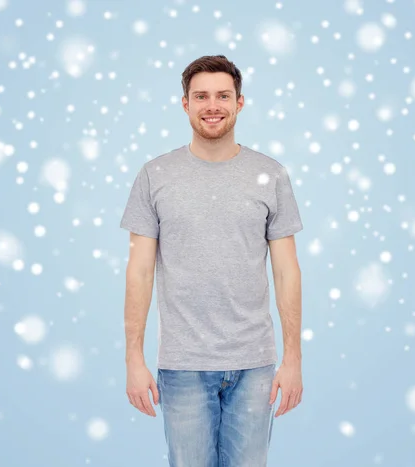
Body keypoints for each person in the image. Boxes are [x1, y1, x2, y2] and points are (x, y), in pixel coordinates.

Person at [120, 54, 304, 466]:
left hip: (255, 365)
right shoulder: (155, 175)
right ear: (185, 103)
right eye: (201, 96)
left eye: (223, 95)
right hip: (183, 365)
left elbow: (287, 271)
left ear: (240, 102)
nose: (212, 105)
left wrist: (293, 360)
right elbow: (139, 271)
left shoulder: (270, 174)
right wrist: (134, 359)